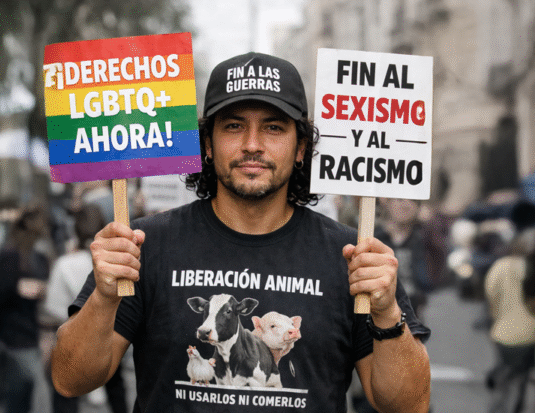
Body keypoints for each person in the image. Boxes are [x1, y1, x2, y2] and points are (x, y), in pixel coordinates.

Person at [50, 52, 431, 412]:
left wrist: (386, 312)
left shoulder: (354, 257)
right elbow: (71, 379)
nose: (252, 145)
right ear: (208, 146)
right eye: (233, 126)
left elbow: (408, 404)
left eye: (273, 127)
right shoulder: (144, 246)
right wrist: (103, 296)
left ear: (301, 148)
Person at [43, 204, 130, 413]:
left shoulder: (64, 265)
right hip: (110, 339)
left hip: (71, 342)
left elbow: (53, 310)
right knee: (117, 394)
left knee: (65, 396)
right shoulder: (119, 262)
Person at [0, 205, 49, 413]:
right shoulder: (11, 254)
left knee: (16, 388)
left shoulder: (40, 257)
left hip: (27, 330)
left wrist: (41, 290)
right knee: (15, 389)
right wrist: (19, 288)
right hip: (8, 333)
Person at [484, 227, 535, 413]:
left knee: (506, 383)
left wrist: (498, 316)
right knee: (523, 383)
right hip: (532, 336)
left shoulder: (501, 265)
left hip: (503, 334)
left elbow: (491, 295)